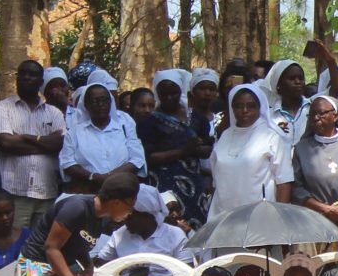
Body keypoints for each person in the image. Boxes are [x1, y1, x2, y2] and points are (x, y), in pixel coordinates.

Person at [0, 59, 63, 228]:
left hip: (46, 192)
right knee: (16, 245)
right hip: (15, 193)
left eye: (33, 74)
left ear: (41, 82)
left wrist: (25, 137)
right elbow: (6, 144)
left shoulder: (54, 113)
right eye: (23, 74)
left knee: (40, 247)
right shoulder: (1, 109)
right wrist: (44, 143)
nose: (27, 77)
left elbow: (58, 144)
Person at [136, 68, 212, 224]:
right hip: (164, 182)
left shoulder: (196, 118)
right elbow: (150, 158)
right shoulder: (150, 122)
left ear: (181, 91)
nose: (169, 98)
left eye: (174, 93)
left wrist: (202, 148)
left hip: (193, 183)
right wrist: (184, 151)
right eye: (164, 94)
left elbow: (205, 151)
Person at [209, 83, 295, 212]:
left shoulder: (271, 137)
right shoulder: (225, 136)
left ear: (260, 107)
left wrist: (280, 214)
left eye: (251, 106)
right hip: (223, 213)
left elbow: (284, 181)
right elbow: (216, 180)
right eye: (239, 106)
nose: (245, 110)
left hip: (260, 216)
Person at [59, 75, 145, 194]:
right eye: (95, 101)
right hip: (87, 191)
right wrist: (94, 177)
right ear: (86, 106)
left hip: (122, 191)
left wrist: (111, 177)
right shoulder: (75, 132)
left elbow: (137, 159)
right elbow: (67, 162)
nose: (100, 105)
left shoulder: (123, 128)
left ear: (111, 103)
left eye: (104, 100)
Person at [289, 94, 338, 229]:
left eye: (321, 113)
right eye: (312, 114)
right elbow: (296, 189)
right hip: (315, 219)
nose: (315, 118)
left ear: (335, 116)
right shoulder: (301, 149)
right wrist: (324, 209)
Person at [93, 184, 191, 275]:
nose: (124, 220)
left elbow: (187, 272)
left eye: (130, 216)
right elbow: (100, 265)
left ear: (147, 215)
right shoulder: (119, 235)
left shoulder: (175, 235)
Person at [262, 58, 311, 138]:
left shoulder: (313, 109)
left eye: (301, 78)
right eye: (292, 78)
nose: (298, 82)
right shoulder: (268, 116)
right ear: (278, 84)